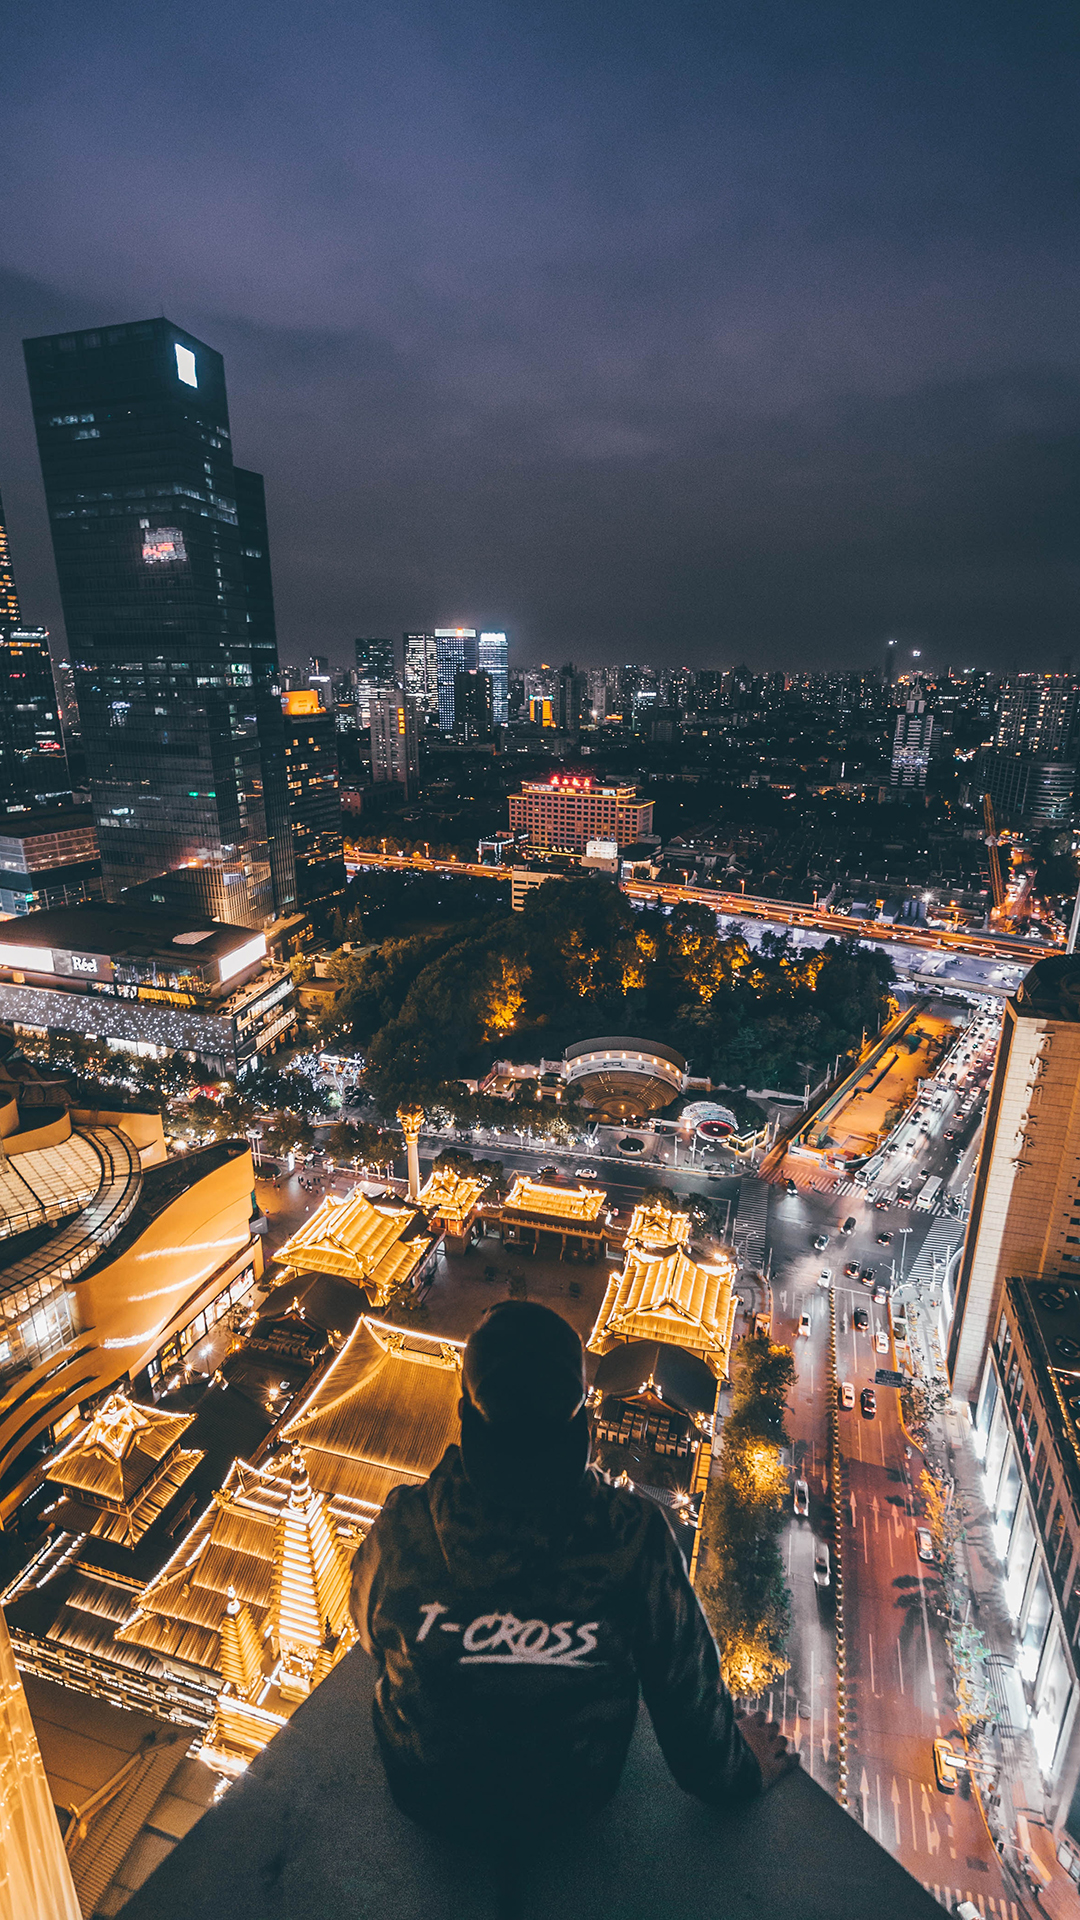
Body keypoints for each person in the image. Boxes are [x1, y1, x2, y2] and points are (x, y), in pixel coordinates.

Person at [349, 1300, 794, 1849]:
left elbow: (369, 1632)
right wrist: (742, 1769)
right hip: (570, 1800)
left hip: (426, 1794)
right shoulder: (633, 1537)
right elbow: (687, 1705)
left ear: (465, 1421)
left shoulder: (404, 1527)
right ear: (583, 1426)